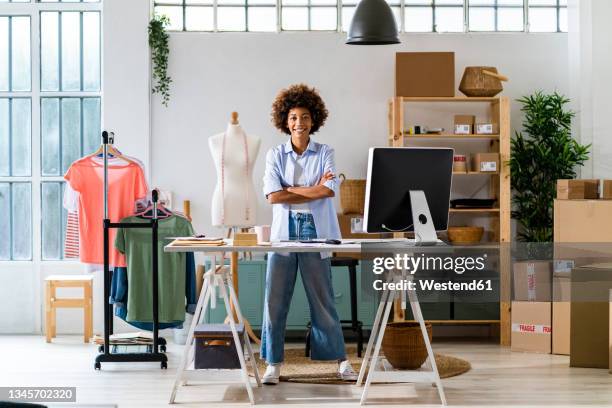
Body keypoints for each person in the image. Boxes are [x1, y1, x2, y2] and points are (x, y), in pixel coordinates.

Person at [261, 83, 357, 385]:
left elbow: (328, 190)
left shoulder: (325, 152)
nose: (298, 123)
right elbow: (273, 196)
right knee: (274, 302)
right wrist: (309, 190)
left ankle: (341, 362)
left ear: (313, 119)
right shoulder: (275, 154)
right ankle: (273, 364)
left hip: (316, 232)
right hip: (284, 233)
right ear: (284, 122)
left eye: (304, 117)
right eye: (292, 117)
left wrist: (290, 189)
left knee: (324, 300)